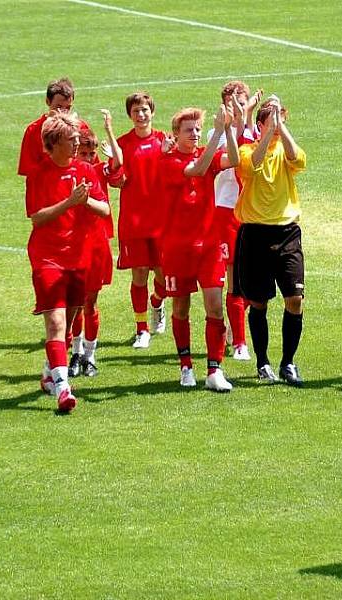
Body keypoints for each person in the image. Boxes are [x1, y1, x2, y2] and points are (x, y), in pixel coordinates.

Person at [27, 111, 109, 413]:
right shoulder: (39, 174)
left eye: (77, 140)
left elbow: (104, 209)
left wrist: (85, 200)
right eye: (71, 140)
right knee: (56, 322)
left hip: (79, 256)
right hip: (48, 257)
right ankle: (63, 388)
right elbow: (37, 217)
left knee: (71, 320)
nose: (77, 144)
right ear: (55, 143)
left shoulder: (87, 170)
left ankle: (50, 373)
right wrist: (69, 203)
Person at [161, 104, 238, 391]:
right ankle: (185, 366)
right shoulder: (168, 161)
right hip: (178, 247)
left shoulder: (205, 151)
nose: (194, 134)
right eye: (188, 130)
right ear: (175, 134)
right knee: (181, 307)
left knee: (215, 306)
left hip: (208, 245)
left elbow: (233, 160)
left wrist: (229, 129)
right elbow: (199, 169)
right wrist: (217, 130)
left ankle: (214, 370)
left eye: (196, 129)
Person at [233, 96, 306, 386]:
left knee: (295, 300)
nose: (277, 124)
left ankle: (288, 363)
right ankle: (262, 361)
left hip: (287, 232)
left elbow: (298, 159)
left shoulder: (287, 148)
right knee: (258, 302)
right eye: (271, 120)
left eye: (281, 118)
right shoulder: (247, 149)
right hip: (255, 233)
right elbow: (252, 166)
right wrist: (266, 133)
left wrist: (281, 128)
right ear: (259, 125)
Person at [207, 80, 264, 362]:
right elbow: (232, 155)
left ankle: (237, 334)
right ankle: (240, 342)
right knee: (233, 277)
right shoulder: (215, 133)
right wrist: (239, 120)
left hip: (252, 212)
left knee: (253, 278)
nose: (238, 107)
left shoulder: (254, 132)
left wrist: (249, 117)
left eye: (242, 101)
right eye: (233, 102)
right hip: (226, 210)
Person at [67, 110, 124, 378]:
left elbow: (118, 170)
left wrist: (110, 131)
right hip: (74, 245)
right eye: (84, 153)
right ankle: (75, 352)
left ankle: (90, 354)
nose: (89, 158)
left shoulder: (99, 170)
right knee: (75, 302)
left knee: (90, 301)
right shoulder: (68, 175)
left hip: (98, 245)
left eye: (92, 154)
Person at [115, 91, 169, 348]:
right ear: (130, 115)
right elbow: (116, 180)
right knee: (138, 275)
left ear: (152, 112)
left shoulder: (163, 140)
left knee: (165, 277)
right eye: (136, 111)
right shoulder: (122, 143)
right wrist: (116, 171)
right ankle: (141, 329)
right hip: (134, 220)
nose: (141, 114)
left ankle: (157, 302)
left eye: (145, 110)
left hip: (162, 220)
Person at [17, 77, 81, 178]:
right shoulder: (33, 130)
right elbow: (29, 170)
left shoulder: (80, 127)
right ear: (48, 101)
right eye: (59, 107)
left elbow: (90, 162)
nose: (63, 112)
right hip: (47, 188)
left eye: (68, 108)